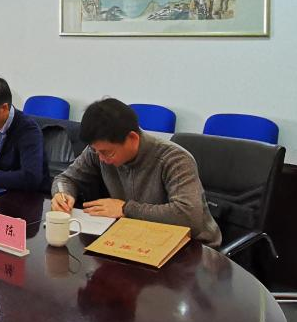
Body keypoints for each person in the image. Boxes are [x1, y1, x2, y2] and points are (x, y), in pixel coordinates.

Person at [49, 97, 221, 247]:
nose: (101, 158)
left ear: (132, 138)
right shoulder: (98, 151)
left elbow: (188, 216)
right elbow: (66, 179)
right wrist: (62, 194)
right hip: (140, 238)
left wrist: (126, 209)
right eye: (96, 151)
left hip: (192, 248)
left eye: (108, 153)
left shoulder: (174, 159)